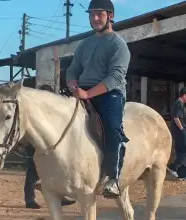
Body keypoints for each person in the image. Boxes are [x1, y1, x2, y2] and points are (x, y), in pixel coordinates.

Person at [65, 0, 131, 198]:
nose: (95, 18)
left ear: (110, 16)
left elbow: (116, 77)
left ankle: (113, 178)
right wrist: (73, 87)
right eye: (91, 14)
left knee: (112, 128)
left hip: (109, 93)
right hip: (82, 91)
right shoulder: (85, 44)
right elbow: (73, 70)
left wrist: (88, 94)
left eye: (99, 14)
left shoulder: (118, 45)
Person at [24, 145, 76, 209]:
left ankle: (58, 196)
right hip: (34, 144)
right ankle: (29, 200)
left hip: (45, 145)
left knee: (54, 170)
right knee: (33, 172)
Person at [167, 87, 186, 180]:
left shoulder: (179, 103)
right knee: (184, 150)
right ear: (184, 95)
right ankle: (173, 167)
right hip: (180, 131)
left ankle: (181, 174)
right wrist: (182, 129)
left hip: (178, 131)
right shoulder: (179, 104)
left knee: (180, 151)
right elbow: (176, 118)